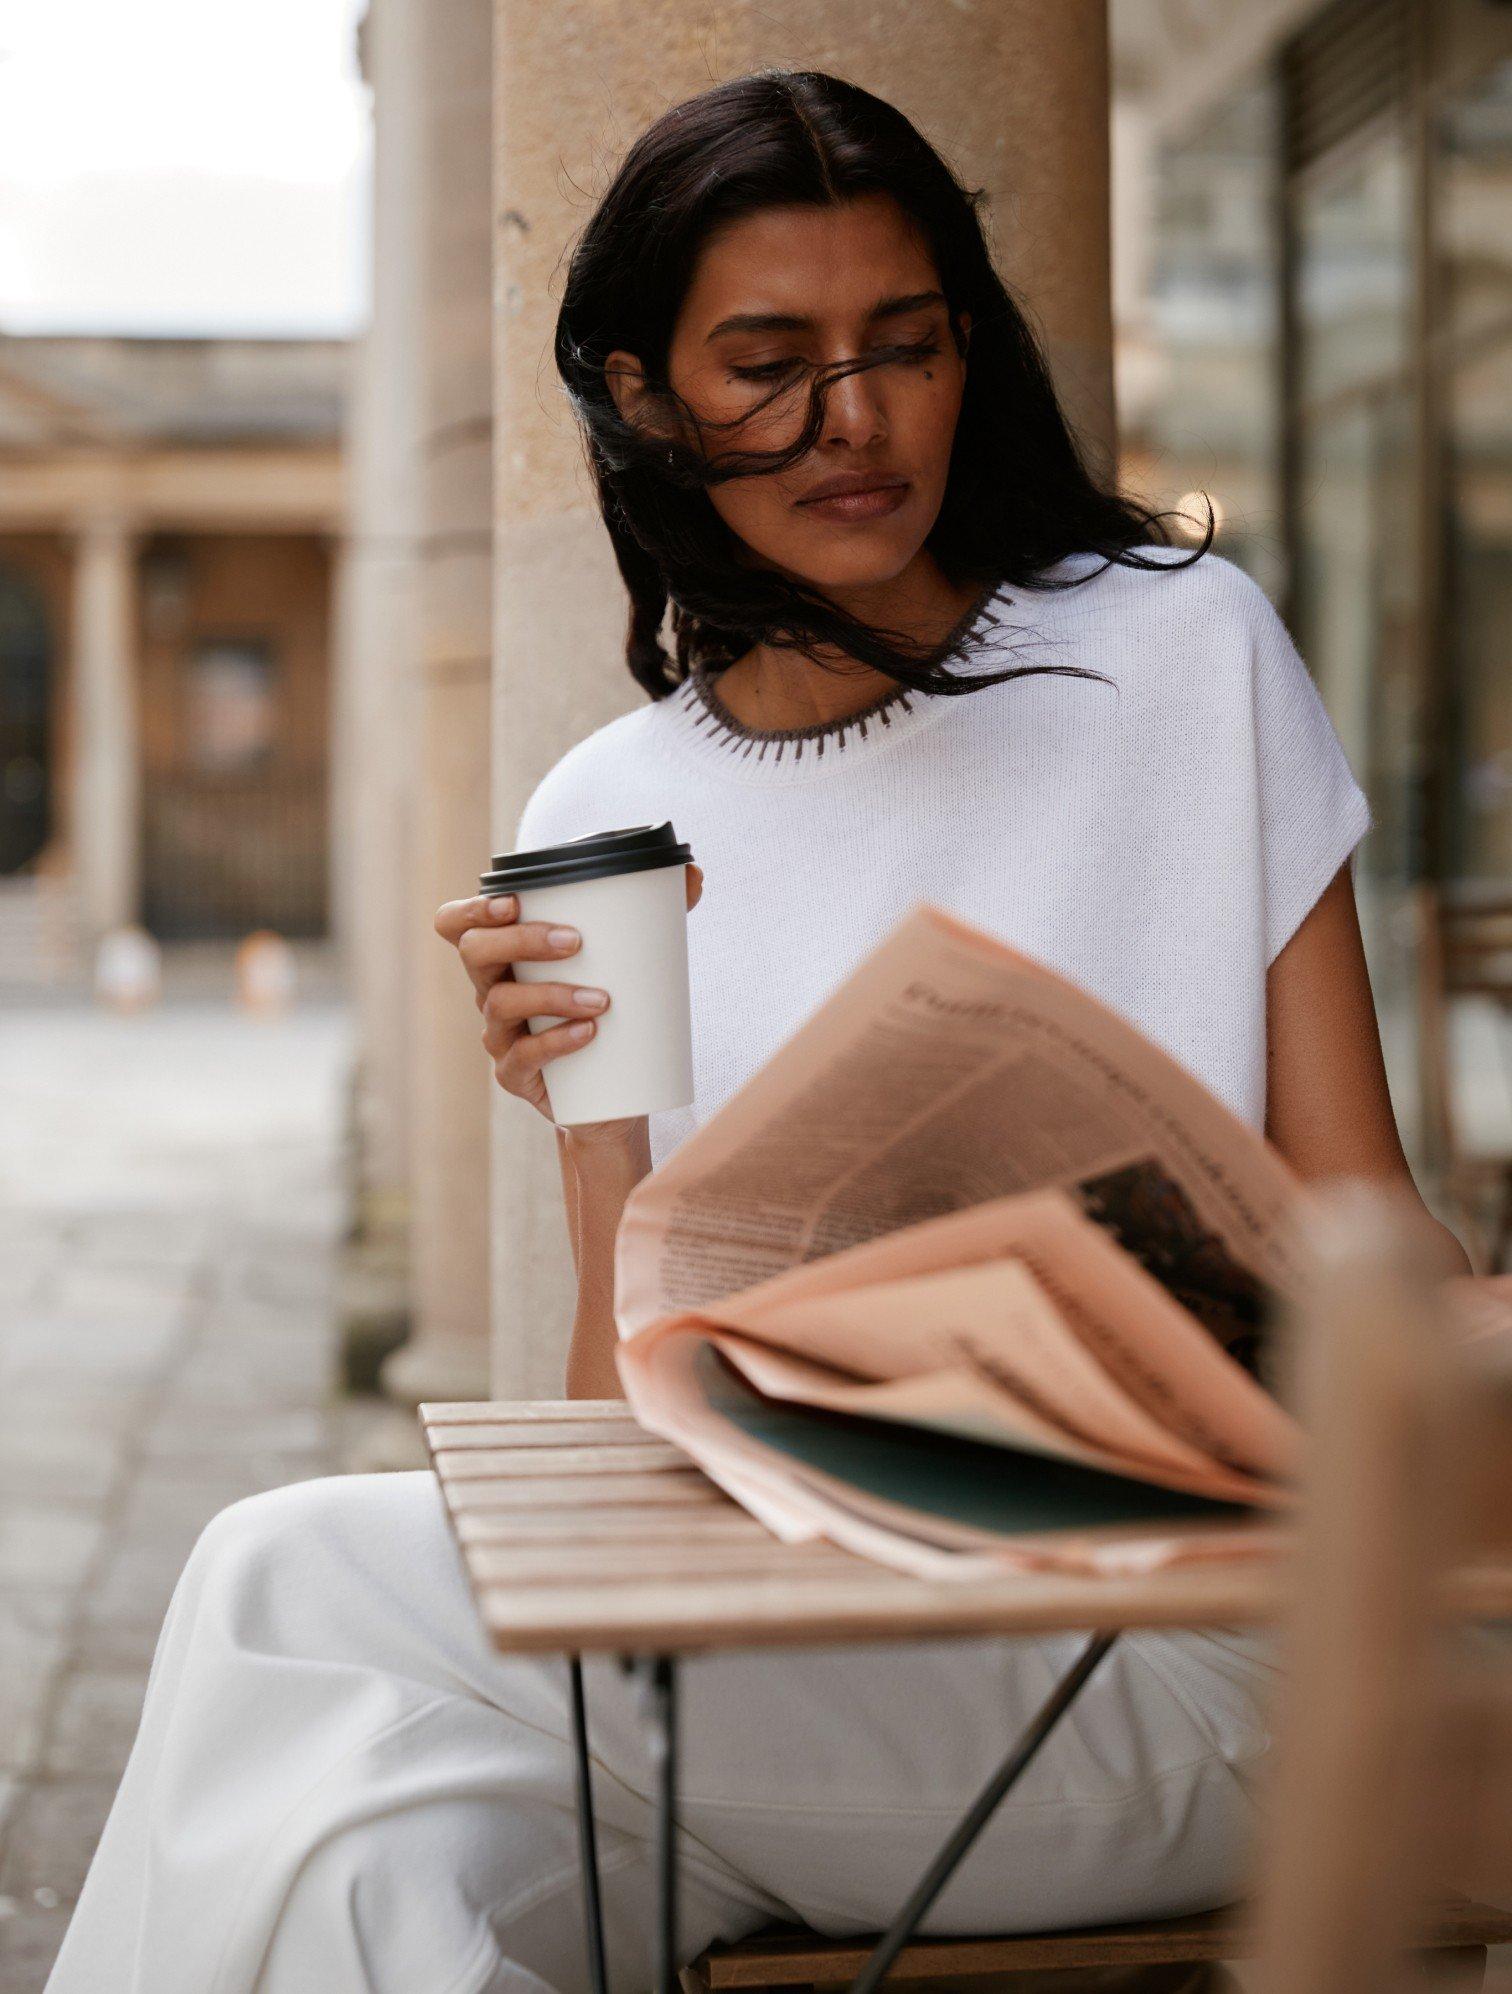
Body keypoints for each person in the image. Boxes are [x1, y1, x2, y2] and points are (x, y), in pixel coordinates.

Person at [46, 68, 1470, 1994]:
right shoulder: (602, 815)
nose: (853, 419)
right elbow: (613, 1471)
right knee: (364, 1855)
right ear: (644, 392)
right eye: (768, 360)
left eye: (902, 345)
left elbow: (1374, 1228)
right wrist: (591, 1117)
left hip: (1180, 1652)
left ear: (969, 351)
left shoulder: (1181, 653)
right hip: (774, 1651)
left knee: (283, 1580)